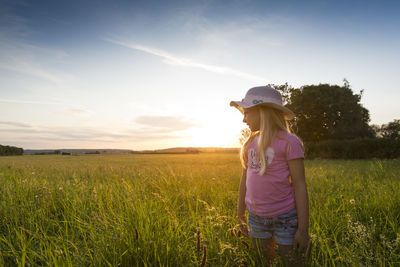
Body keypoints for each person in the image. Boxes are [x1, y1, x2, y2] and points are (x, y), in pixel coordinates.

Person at [230, 86, 310, 266]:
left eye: (247, 112)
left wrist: (303, 230)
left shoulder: (289, 142)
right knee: (261, 261)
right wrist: (240, 215)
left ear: (263, 111)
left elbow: (299, 185)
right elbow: (245, 182)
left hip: (285, 217)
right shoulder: (250, 143)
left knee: (292, 261)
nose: (244, 119)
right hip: (256, 217)